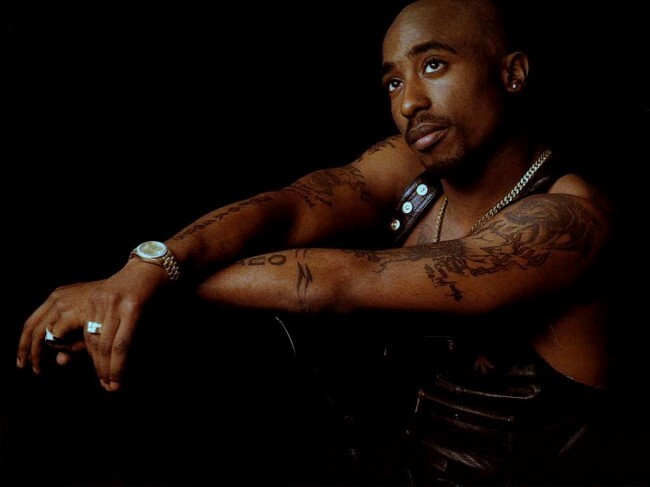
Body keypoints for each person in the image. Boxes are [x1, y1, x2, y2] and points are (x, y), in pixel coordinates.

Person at [16, 0, 618, 485]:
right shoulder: (410, 167)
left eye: (433, 65)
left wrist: (145, 292)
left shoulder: (568, 222)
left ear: (512, 73)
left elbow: (343, 282)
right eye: (392, 81)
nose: (408, 102)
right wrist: (142, 271)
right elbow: (290, 207)